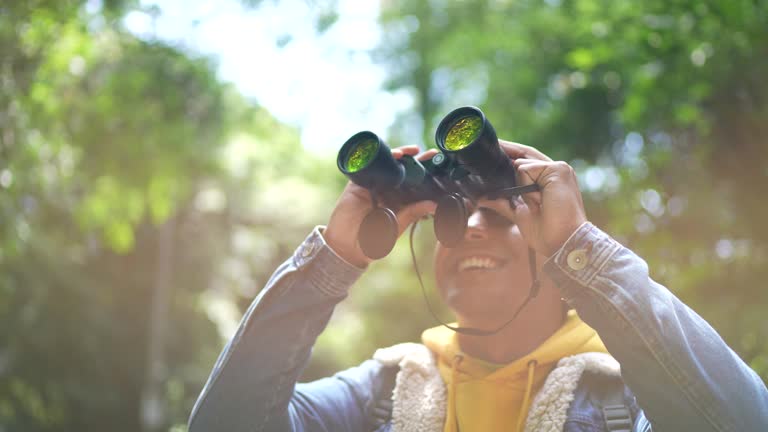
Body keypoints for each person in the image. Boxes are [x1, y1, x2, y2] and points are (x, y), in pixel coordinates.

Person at [187, 141, 768, 431]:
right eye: (453, 217)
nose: (468, 229)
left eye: (497, 215)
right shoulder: (381, 393)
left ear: (552, 252)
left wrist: (582, 250)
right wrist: (331, 262)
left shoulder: (626, 397)